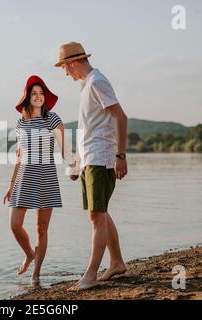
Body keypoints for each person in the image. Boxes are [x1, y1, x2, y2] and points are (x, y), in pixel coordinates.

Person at [55, 42, 128, 291]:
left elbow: (121, 116)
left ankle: (90, 275)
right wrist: (78, 161)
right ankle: (117, 262)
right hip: (90, 158)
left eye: (65, 67)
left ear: (73, 62)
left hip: (102, 157)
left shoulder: (97, 81)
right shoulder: (86, 85)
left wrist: (121, 155)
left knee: (96, 215)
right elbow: (91, 127)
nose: (66, 73)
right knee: (100, 212)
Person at [3, 75, 75, 285]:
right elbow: (19, 155)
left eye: (41, 93)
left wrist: (74, 165)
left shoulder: (53, 119)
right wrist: (11, 184)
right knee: (14, 225)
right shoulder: (20, 122)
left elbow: (64, 151)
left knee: (41, 229)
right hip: (24, 176)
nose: (38, 96)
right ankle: (29, 253)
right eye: (34, 93)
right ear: (27, 97)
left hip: (46, 176)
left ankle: (36, 274)